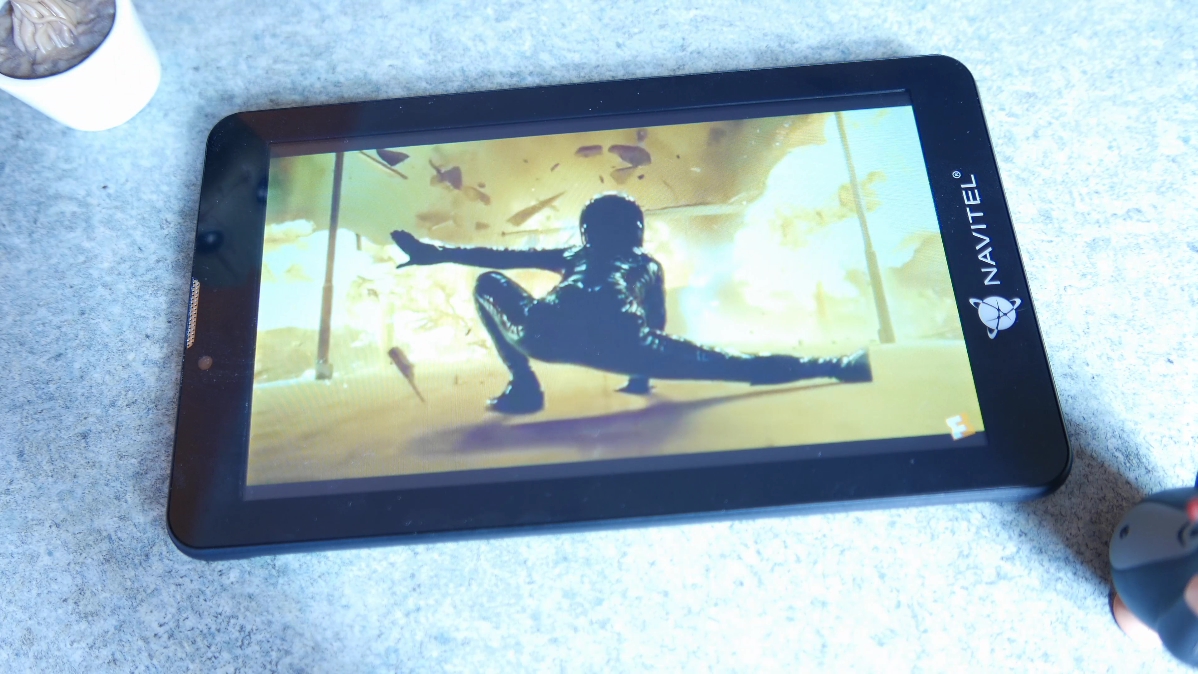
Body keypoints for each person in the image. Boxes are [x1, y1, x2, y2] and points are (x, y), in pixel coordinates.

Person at [391, 192, 870, 414]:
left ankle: (524, 385)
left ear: (587, 231)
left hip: (544, 333)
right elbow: (656, 321)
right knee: (731, 363)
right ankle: (837, 366)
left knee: (489, 282)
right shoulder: (647, 264)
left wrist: (437, 253)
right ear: (636, 231)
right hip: (625, 345)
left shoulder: (575, 254)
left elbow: (497, 259)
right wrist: (642, 372)